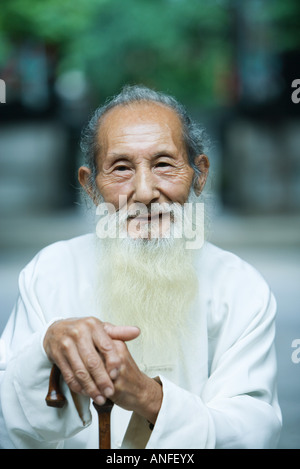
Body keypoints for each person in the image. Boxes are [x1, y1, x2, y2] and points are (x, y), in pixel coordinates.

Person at [0, 85, 282, 449]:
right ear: (91, 186)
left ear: (199, 175)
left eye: (164, 164)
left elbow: (253, 430)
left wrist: (148, 398)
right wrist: (47, 348)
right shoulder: (50, 273)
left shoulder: (241, 287)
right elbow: (12, 420)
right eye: (121, 168)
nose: (146, 192)